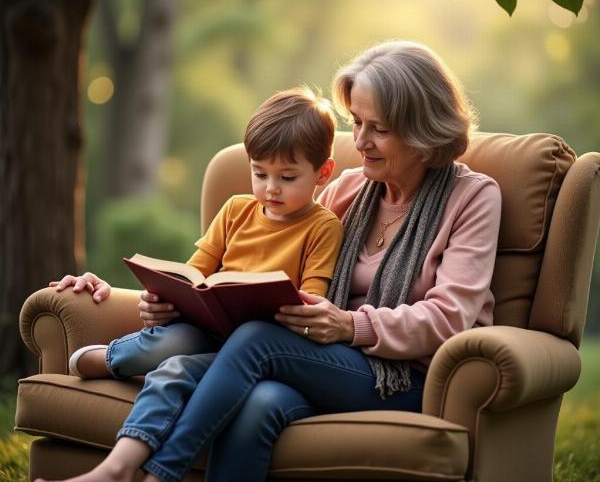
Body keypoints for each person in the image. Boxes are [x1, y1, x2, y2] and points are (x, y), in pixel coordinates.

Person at [38, 40, 502, 482]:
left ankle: (152, 473)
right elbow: (259, 262)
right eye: (356, 122)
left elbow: (452, 319)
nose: (359, 141)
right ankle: (127, 458)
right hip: (324, 361)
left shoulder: (472, 197)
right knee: (260, 402)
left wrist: (348, 325)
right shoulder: (349, 190)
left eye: (378, 129)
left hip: (405, 378)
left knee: (258, 337)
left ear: (423, 129)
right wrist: (150, 294)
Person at [53, 87, 343, 381]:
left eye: (287, 177)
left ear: (323, 173)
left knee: (176, 367)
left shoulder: (323, 227)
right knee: (172, 342)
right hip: (206, 330)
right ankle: (112, 357)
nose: (271, 188)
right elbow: (194, 275)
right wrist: (163, 298)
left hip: (261, 343)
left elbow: (311, 300)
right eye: (259, 173)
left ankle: (125, 363)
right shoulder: (235, 209)